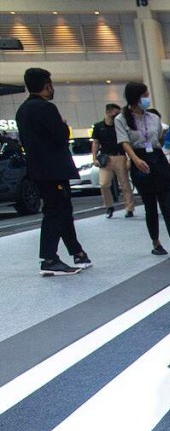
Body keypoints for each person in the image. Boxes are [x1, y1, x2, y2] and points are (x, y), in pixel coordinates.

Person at [15, 67, 91, 276]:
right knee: (56, 211)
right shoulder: (46, 108)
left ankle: (77, 252)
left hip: (38, 169)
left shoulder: (22, 110)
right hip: (54, 170)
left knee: (62, 210)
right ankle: (49, 258)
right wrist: (63, 126)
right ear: (46, 85)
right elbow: (59, 136)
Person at [116, 82, 170, 258]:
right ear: (135, 97)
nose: (147, 98)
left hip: (158, 159)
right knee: (150, 205)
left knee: (167, 204)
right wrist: (135, 159)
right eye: (144, 95)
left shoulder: (153, 118)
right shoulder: (121, 119)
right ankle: (156, 242)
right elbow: (124, 142)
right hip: (140, 159)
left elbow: (157, 142)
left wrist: (162, 139)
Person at [91, 102, 135, 219]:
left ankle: (129, 208)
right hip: (106, 158)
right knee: (104, 184)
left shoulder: (120, 126)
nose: (117, 115)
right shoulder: (99, 126)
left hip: (120, 156)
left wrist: (129, 158)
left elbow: (127, 142)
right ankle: (109, 206)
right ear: (108, 112)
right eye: (115, 113)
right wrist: (94, 157)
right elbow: (96, 142)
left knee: (125, 184)